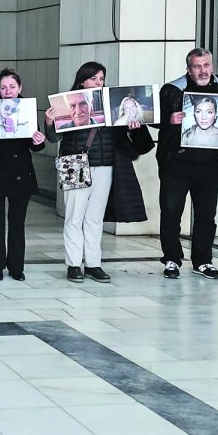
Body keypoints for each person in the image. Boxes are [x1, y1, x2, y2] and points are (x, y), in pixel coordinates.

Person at [46, 61, 153, 283]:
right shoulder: (68, 103)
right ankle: (73, 264)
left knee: (95, 218)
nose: (98, 82)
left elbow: (131, 139)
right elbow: (54, 137)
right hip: (73, 163)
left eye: (101, 79)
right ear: (82, 81)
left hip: (105, 164)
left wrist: (133, 126)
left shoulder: (111, 104)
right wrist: (49, 122)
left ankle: (93, 264)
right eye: (93, 78)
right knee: (74, 217)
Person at [158, 48, 218, 280]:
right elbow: (151, 117)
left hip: (208, 164)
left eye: (206, 65)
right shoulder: (172, 90)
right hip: (175, 163)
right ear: (188, 69)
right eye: (197, 66)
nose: (203, 70)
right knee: (171, 213)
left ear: (212, 66)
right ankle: (172, 259)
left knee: (207, 215)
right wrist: (168, 120)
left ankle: (203, 261)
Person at [0, 69, 45, 281]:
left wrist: (39, 141)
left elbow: (34, 145)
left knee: (17, 222)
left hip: (20, 172)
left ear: (20, 88)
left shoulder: (27, 111)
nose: (8, 91)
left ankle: (16, 267)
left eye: (12, 86)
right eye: (3, 87)